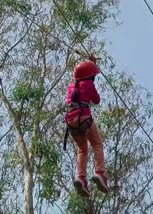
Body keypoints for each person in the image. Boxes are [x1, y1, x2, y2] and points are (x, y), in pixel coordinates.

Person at [65, 56, 108, 197]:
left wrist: (91, 64)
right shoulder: (88, 84)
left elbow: (85, 75)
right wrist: (92, 68)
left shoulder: (71, 86)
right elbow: (96, 100)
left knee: (82, 150)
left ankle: (81, 178)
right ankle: (100, 174)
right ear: (90, 76)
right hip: (84, 118)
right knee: (97, 144)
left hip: (71, 121)